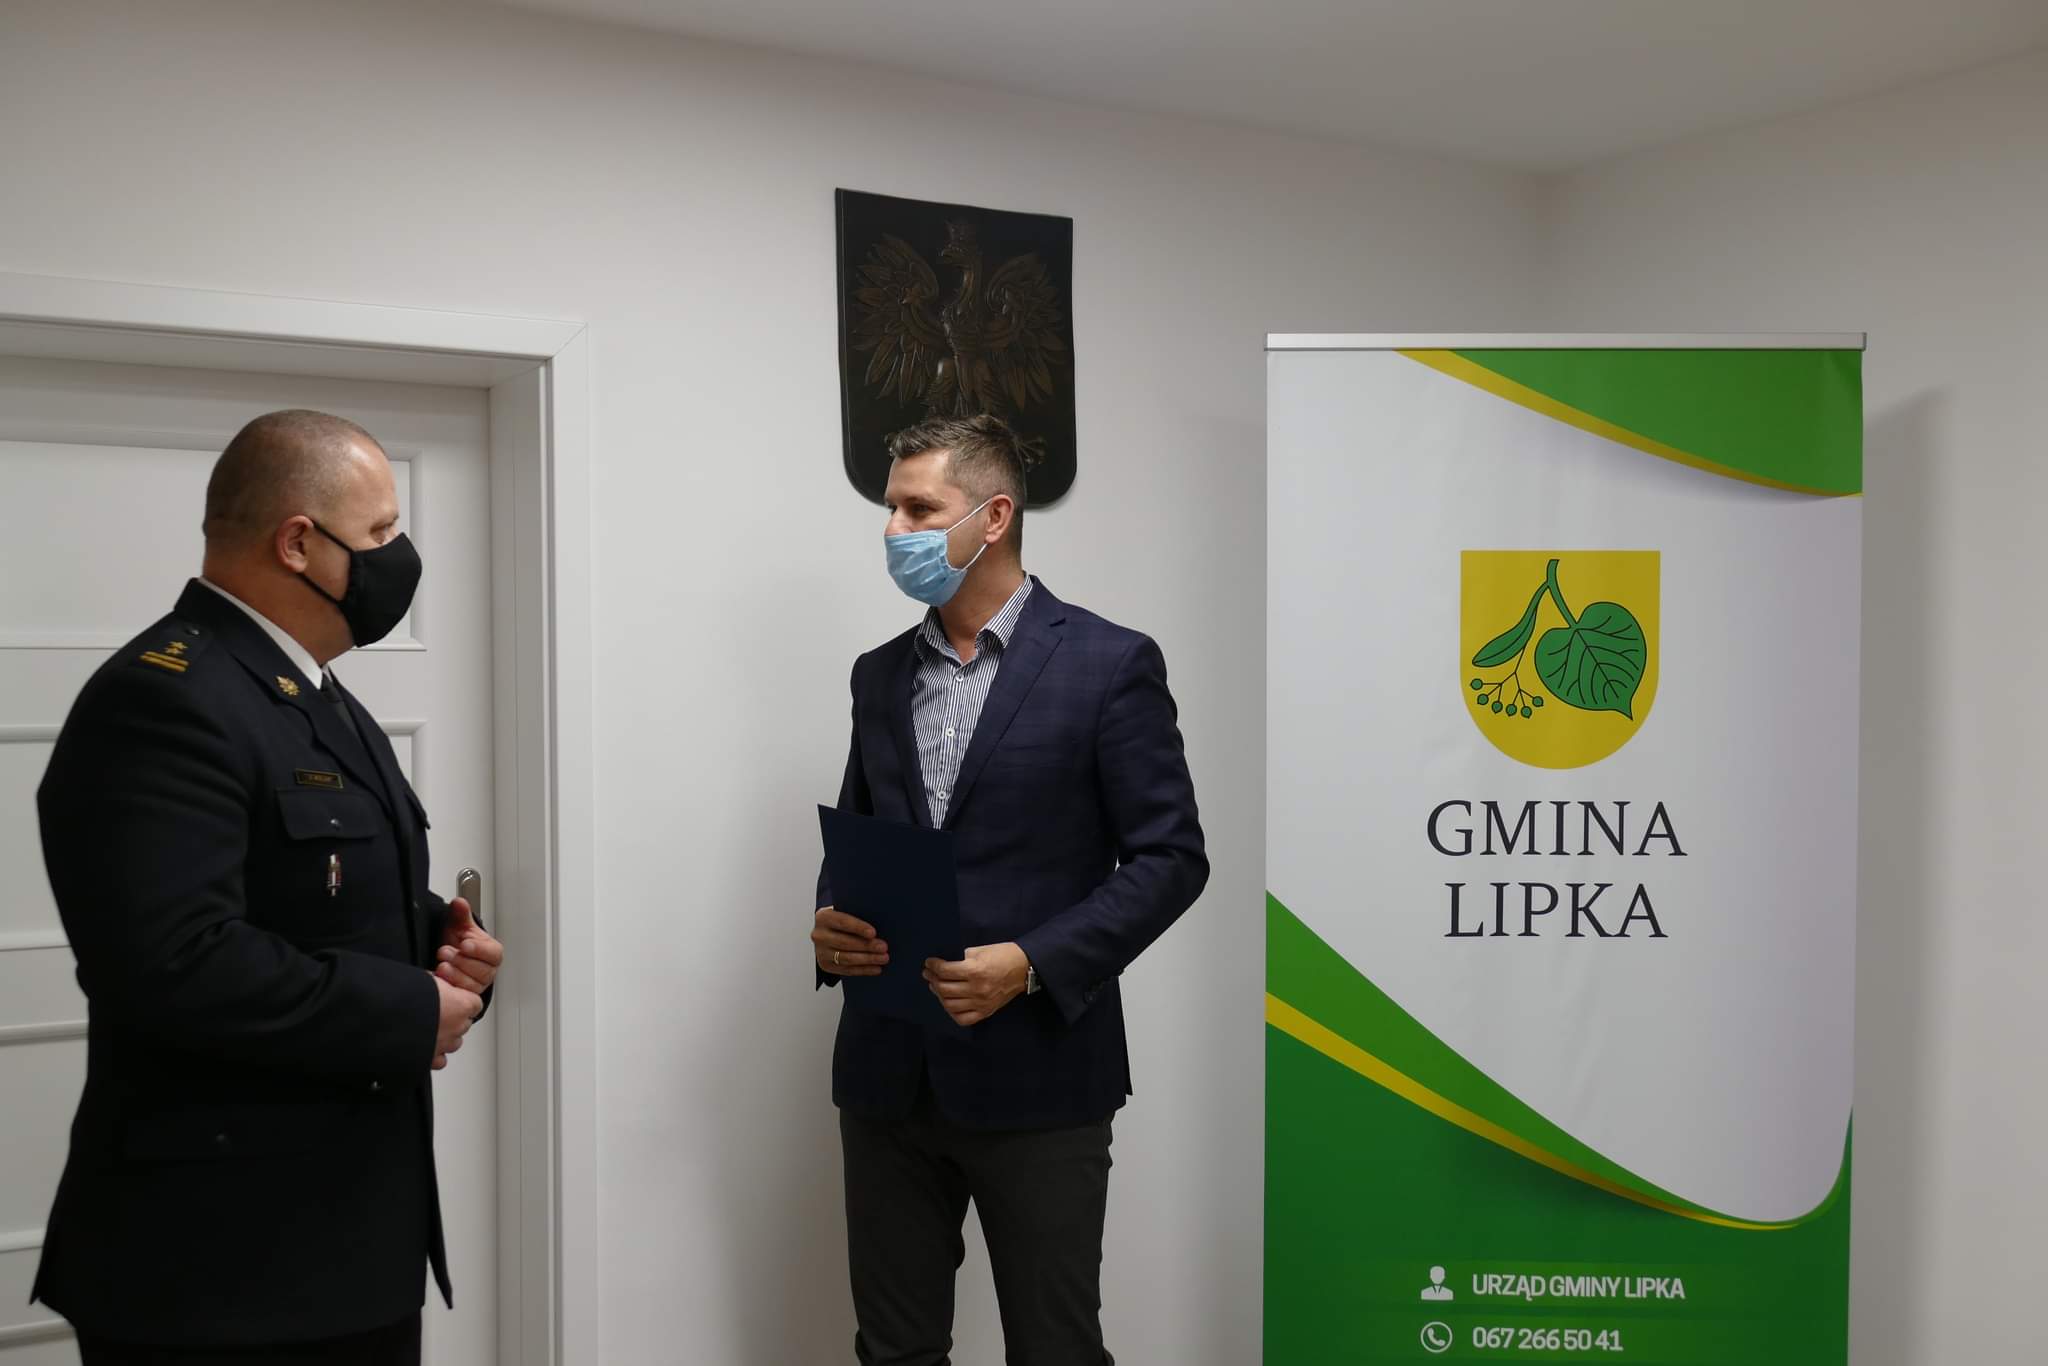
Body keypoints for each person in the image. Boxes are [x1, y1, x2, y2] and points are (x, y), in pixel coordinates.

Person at [30, 409, 504, 1366]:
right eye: (380, 532)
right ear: (298, 543)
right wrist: (411, 1008)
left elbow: (315, 896)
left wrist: (444, 946)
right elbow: (173, 962)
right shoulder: (165, 697)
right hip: (219, 1270)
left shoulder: (308, 689)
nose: (398, 556)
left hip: (340, 1245)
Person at [812, 413, 1208, 1365]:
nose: (893, 528)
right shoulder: (877, 676)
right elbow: (864, 833)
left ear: (992, 518)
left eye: (919, 508)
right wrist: (829, 924)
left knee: (1054, 1350)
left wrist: (1031, 962)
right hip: (888, 1078)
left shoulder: (1111, 664)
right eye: (890, 508)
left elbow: (1172, 859)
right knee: (894, 1352)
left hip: (1042, 1077)